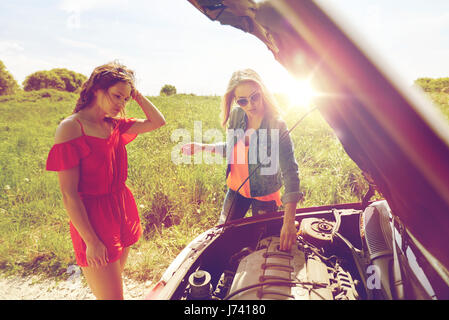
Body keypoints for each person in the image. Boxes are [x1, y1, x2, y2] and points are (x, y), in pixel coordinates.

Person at [46, 61, 165, 299]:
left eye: (125, 99)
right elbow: (69, 194)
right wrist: (90, 240)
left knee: (112, 286)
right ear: (95, 89)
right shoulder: (71, 127)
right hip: (93, 218)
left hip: (121, 207)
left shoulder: (114, 125)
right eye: (116, 96)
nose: (121, 104)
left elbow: (158, 122)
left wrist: (136, 94)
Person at [182, 68, 302, 251]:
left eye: (254, 97)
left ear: (262, 91)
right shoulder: (237, 116)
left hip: (264, 195)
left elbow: (291, 172)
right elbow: (234, 150)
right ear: (235, 101)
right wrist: (202, 147)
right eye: (242, 101)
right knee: (222, 236)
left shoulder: (276, 124)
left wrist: (289, 220)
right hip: (236, 190)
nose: (250, 105)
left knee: (261, 245)